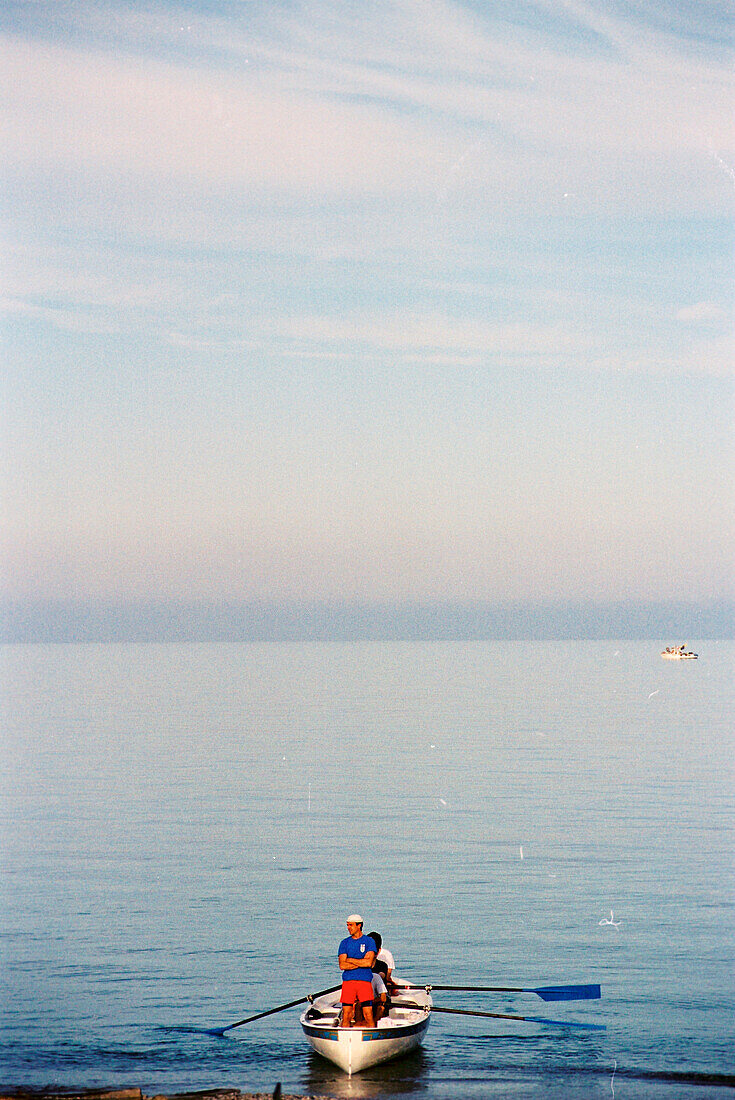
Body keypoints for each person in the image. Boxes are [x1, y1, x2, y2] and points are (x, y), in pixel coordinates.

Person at [338, 914, 376, 1028]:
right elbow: (342, 965)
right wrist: (361, 962)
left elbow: (369, 963)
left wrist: (351, 960)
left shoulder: (369, 941)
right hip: (349, 982)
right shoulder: (344, 943)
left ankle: (372, 1038)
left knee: (368, 1014)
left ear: (359, 926)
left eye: (351, 925)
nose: (348, 928)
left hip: (364, 981)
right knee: (347, 1014)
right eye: (347, 925)